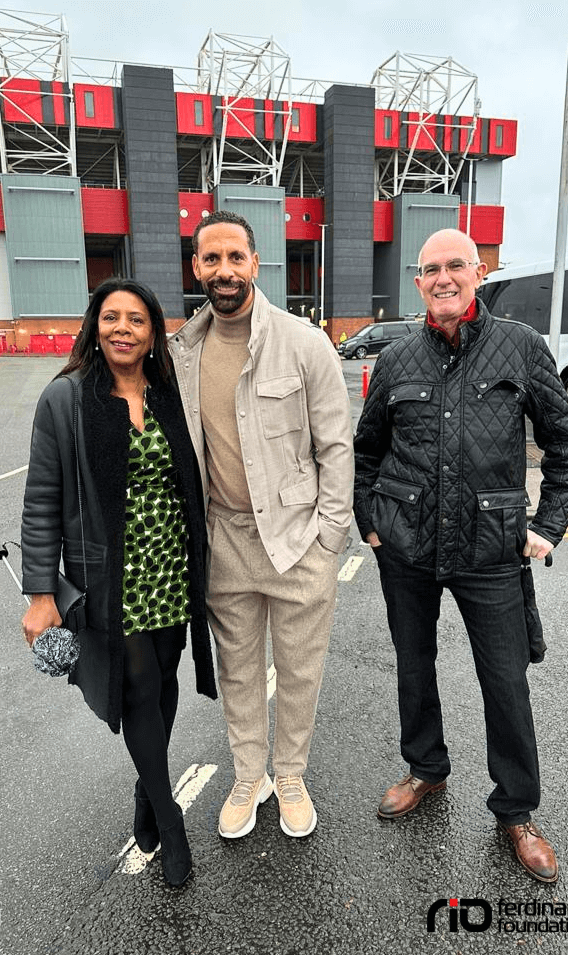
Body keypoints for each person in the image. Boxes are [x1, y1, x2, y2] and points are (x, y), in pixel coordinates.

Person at [354, 228, 568, 883]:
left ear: (476, 272)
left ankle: (515, 810)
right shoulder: (396, 359)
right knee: (412, 667)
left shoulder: (520, 346)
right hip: (406, 546)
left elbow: (567, 449)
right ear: (418, 281)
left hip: (491, 550)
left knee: (505, 683)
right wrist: (370, 521)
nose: (443, 277)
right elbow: (365, 450)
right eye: (430, 269)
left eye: (455, 264)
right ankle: (425, 768)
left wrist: (547, 524)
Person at [21, 277, 217, 887]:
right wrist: (41, 592)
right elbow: (42, 500)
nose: (123, 329)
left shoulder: (168, 393)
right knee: (135, 691)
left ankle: (145, 791)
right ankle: (170, 817)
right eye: (112, 318)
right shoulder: (66, 399)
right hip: (112, 578)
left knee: (161, 691)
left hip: (171, 570)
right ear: (95, 326)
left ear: (154, 331)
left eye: (136, 319)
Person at [168, 211, 354, 840]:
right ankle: (251, 774)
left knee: (300, 668)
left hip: (298, 540)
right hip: (225, 541)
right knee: (238, 669)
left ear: (255, 263)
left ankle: (292, 773)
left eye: (235, 258)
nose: (224, 271)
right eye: (211, 259)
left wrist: (331, 537)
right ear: (197, 267)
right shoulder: (180, 353)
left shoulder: (304, 342)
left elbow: (336, 445)